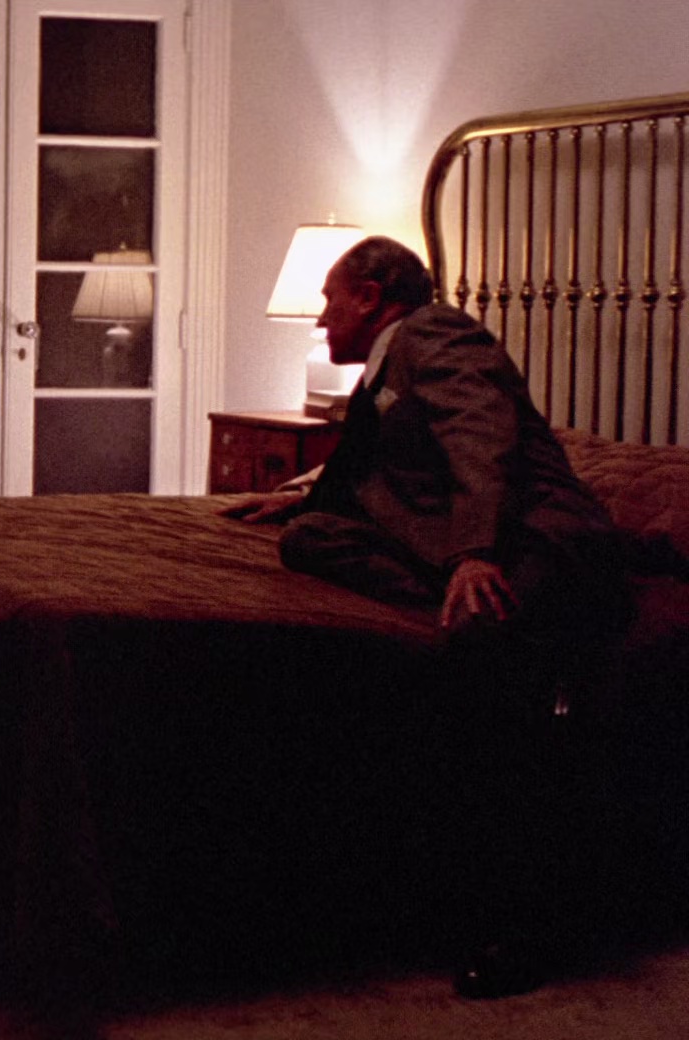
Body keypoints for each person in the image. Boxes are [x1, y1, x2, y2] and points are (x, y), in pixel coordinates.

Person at [221, 236, 629, 998]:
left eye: (329, 302)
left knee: (483, 647)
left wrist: (473, 552)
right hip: (467, 535)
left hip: (537, 534)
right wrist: (302, 499)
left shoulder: (436, 333)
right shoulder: (382, 369)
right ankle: (444, 586)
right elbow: (380, 466)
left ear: (371, 296)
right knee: (309, 538)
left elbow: (481, 436)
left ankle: (517, 921)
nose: (322, 318)